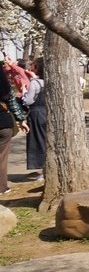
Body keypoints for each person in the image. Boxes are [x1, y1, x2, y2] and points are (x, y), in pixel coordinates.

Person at [0, 64, 29, 195]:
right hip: (3, 123)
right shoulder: (4, 86)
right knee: (1, 157)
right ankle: (1, 187)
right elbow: (12, 102)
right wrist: (21, 120)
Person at [23, 57, 46, 180]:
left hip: (37, 113)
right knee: (46, 139)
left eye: (33, 65)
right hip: (47, 112)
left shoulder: (35, 83)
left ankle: (43, 168)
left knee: (38, 140)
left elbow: (28, 100)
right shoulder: (50, 81)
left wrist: (23, 92)